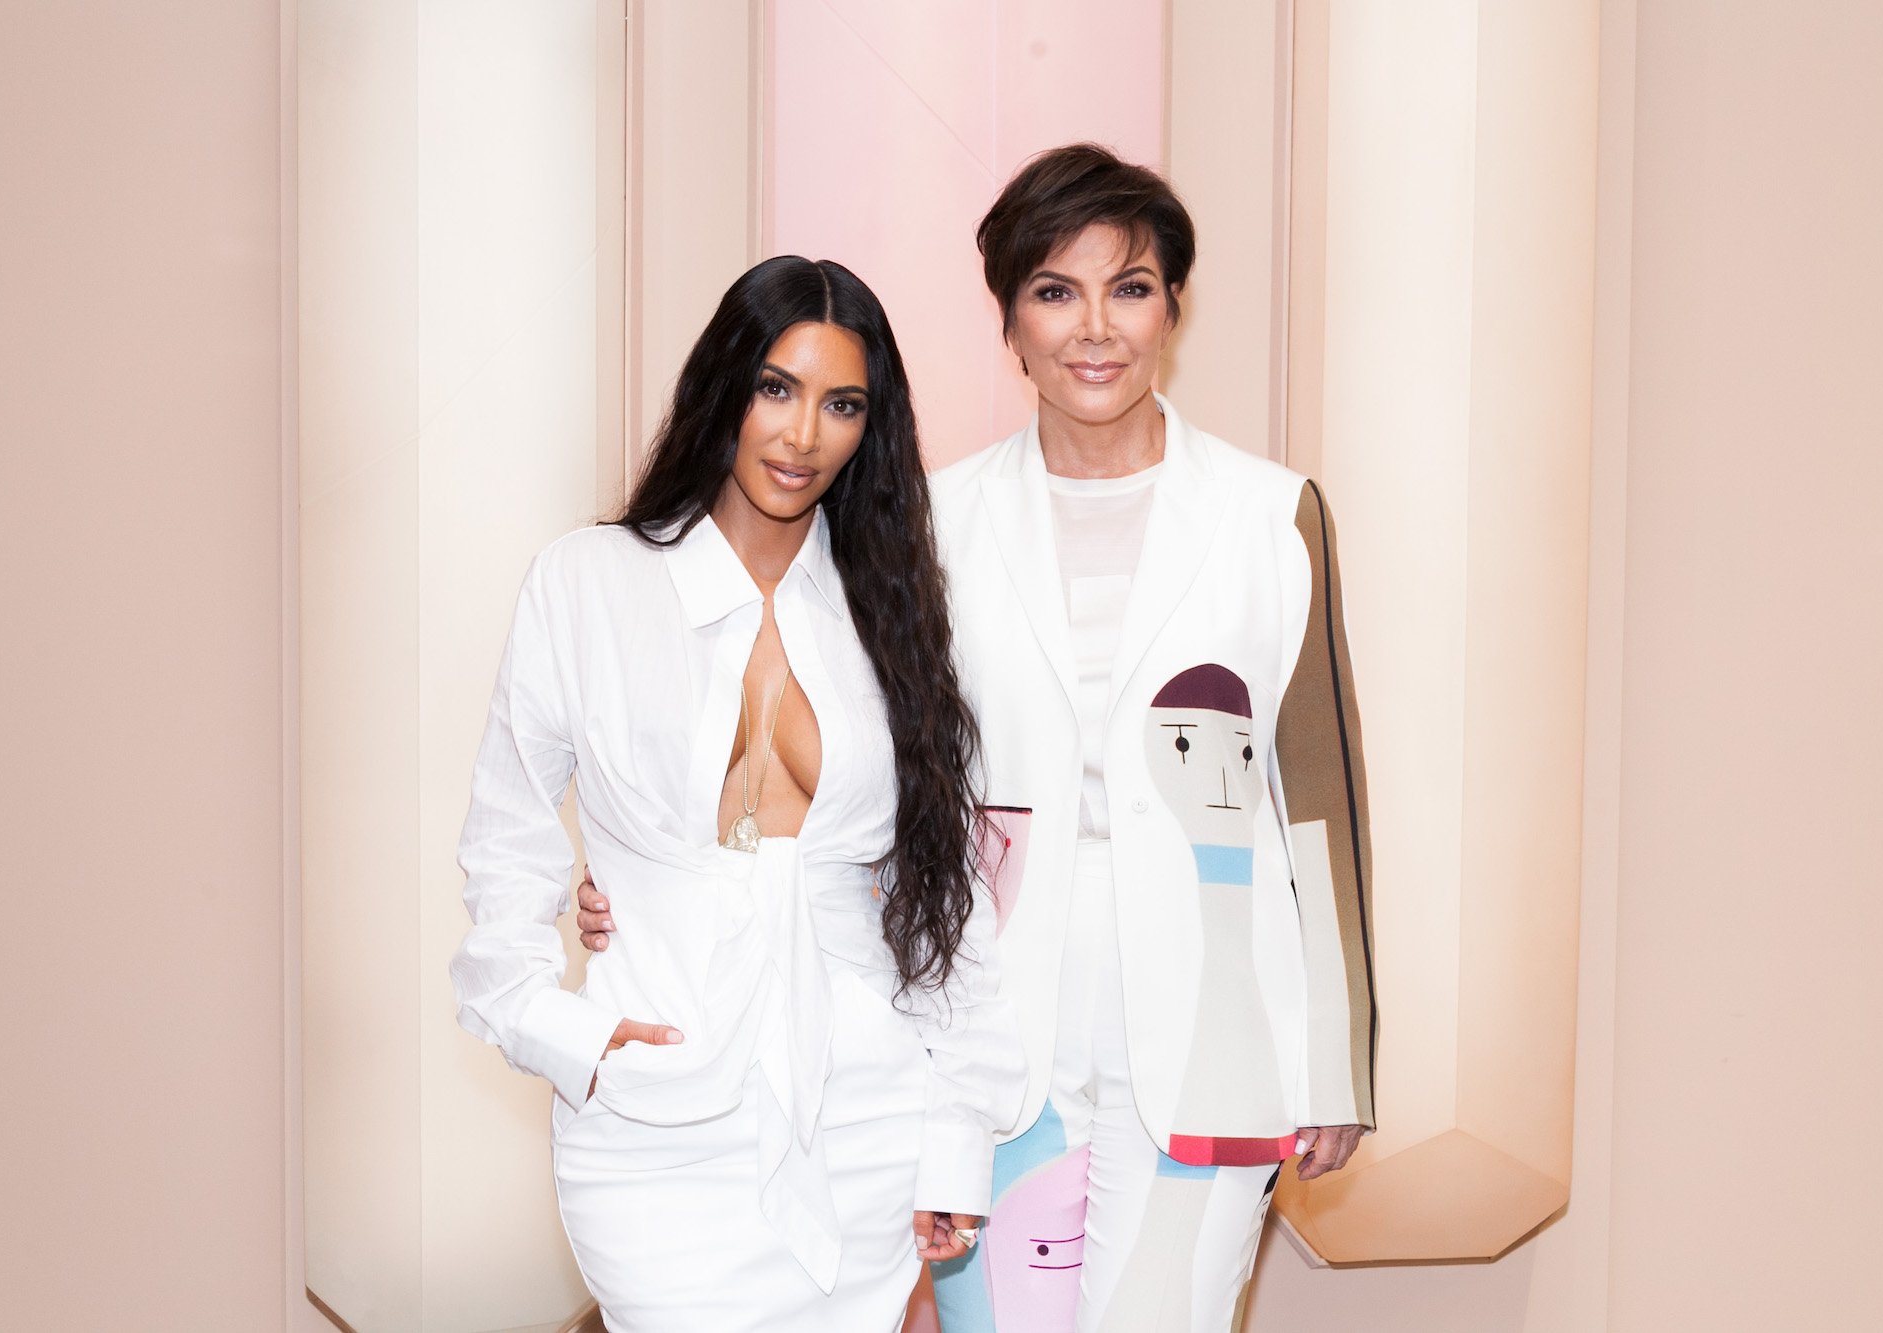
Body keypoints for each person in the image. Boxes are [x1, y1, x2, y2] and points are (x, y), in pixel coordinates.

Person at [583, 144, 1378, 1331]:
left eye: (1131, 286)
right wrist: (652, 884)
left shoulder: (1272, 515)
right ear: (1007, 319)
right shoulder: (931, 523)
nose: (1093, 327)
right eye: (1054, 290)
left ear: (1173, 306)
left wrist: (1340, 1057)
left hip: (1220, 1023)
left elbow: (1316, 797)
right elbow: (825, 755)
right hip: (983, 1034)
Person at [452, 255, 1023, 1332]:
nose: (802, 433)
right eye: (775, 387)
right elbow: (509, 837)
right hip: (654, 1111)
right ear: (722, 385)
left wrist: (953, 1141)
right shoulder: (587, 583)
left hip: (862, 1109)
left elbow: (943, 903)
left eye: (841, 404)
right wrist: (557, 1026)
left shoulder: (890, 613)